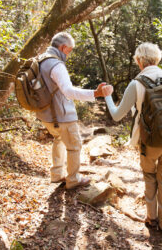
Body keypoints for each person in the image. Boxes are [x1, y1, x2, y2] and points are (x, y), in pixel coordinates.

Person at [102, 42, 162, 233]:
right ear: (157, 59)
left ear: (139, 60)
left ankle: (152, 218)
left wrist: (108, 96)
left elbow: (117, 115)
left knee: (150, 177)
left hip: (148, 142)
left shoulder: (137, 83)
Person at [36, 32, 109, 189]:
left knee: (59, 139)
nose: (69, 54)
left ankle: (56, 175)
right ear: (63, 47)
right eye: (70, 50)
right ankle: (73, 180)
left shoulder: (40, 60)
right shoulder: (56, 65)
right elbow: (68, 91)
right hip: (61, 116)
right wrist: (95, 93)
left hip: (45, 115)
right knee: (74, 145)